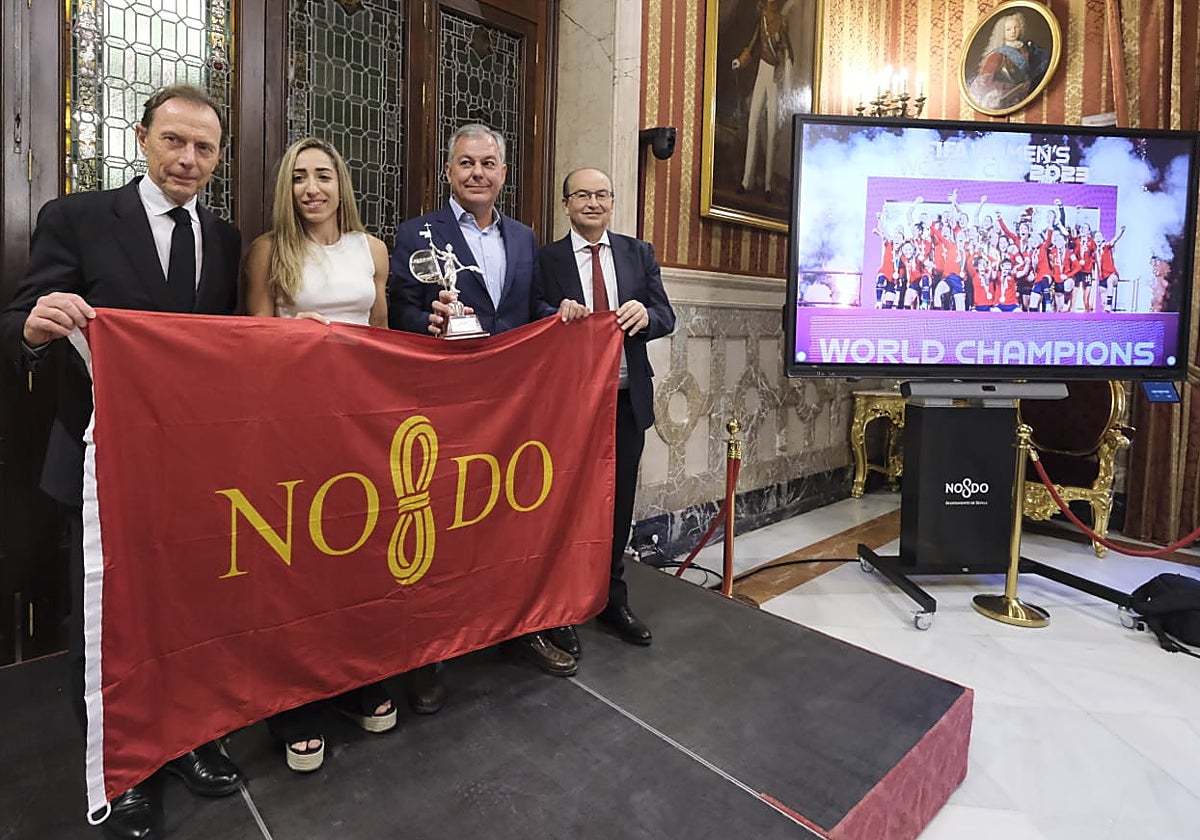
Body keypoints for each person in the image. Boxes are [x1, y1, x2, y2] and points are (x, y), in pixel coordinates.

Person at [0, 84, 244, 840]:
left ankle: (190, 735)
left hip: (194, 465)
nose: (188, 159)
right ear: (142, 138)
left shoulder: (228, 239)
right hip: (98, 461)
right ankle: (125, 765)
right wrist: (35, 328)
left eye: (204, 148)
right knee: (107, 617)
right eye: (174, 140)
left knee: (193, 607)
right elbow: (19, 320)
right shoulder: (75, 217)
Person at [386, 124, 578, 699]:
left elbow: (527, 307)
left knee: (510, 518)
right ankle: (429, 652)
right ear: (448, 171)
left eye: (488, 163)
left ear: (503, 173)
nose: (477, 173)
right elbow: (398, 310)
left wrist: (560, 311)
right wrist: (430, 324)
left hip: (513, 407)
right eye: (466, 163)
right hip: (444, 407)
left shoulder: (524, 237)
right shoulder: (419, 232)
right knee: (440, 522)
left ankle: (518, 625)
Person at [243, 136, 393, 773]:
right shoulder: (268, 252)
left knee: (357, 555)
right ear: (287, 188)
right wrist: (292, 338)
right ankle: (294, 700)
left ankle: (355, 676)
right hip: (295, 424)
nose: (312, 188)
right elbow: (249, 344)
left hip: (361, 422)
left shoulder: (375, 250)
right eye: (300, 177)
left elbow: (384, 338)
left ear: (341, 184)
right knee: (298, 561)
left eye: (323, 176)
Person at [534, 168, 676, 655]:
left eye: (601, 194)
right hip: (571, 405)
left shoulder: (639, 254)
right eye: (581, 195)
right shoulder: (547, 257)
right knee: (566, 504)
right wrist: (555, 314)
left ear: (613, 202)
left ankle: (613, 600)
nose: (592, 202)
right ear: (565, 202)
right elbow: (532, 310)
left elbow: (665, 314)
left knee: (619, 504)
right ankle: (562, 607)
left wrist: (647, 317)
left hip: (624, 401)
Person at [731, 0, 794, 198]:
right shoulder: (762, 20)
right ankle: (746, 181)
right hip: (762, 71)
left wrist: (785, 68)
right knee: (752, 124)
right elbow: (752, 43)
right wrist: (741, 60)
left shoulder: (782, 21)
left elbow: (787, 49)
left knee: (772, 131)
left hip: (775, 76)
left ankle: (768, 185)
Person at [967, 10, 1050, 111]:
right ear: (1002, 32)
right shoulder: (997, 55)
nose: (1013, 31)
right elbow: (984, 82)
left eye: (1016, 27)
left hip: (1023, 96)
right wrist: (1009, 87)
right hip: (1003, 96)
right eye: (1008, 29)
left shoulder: (1025, 49)